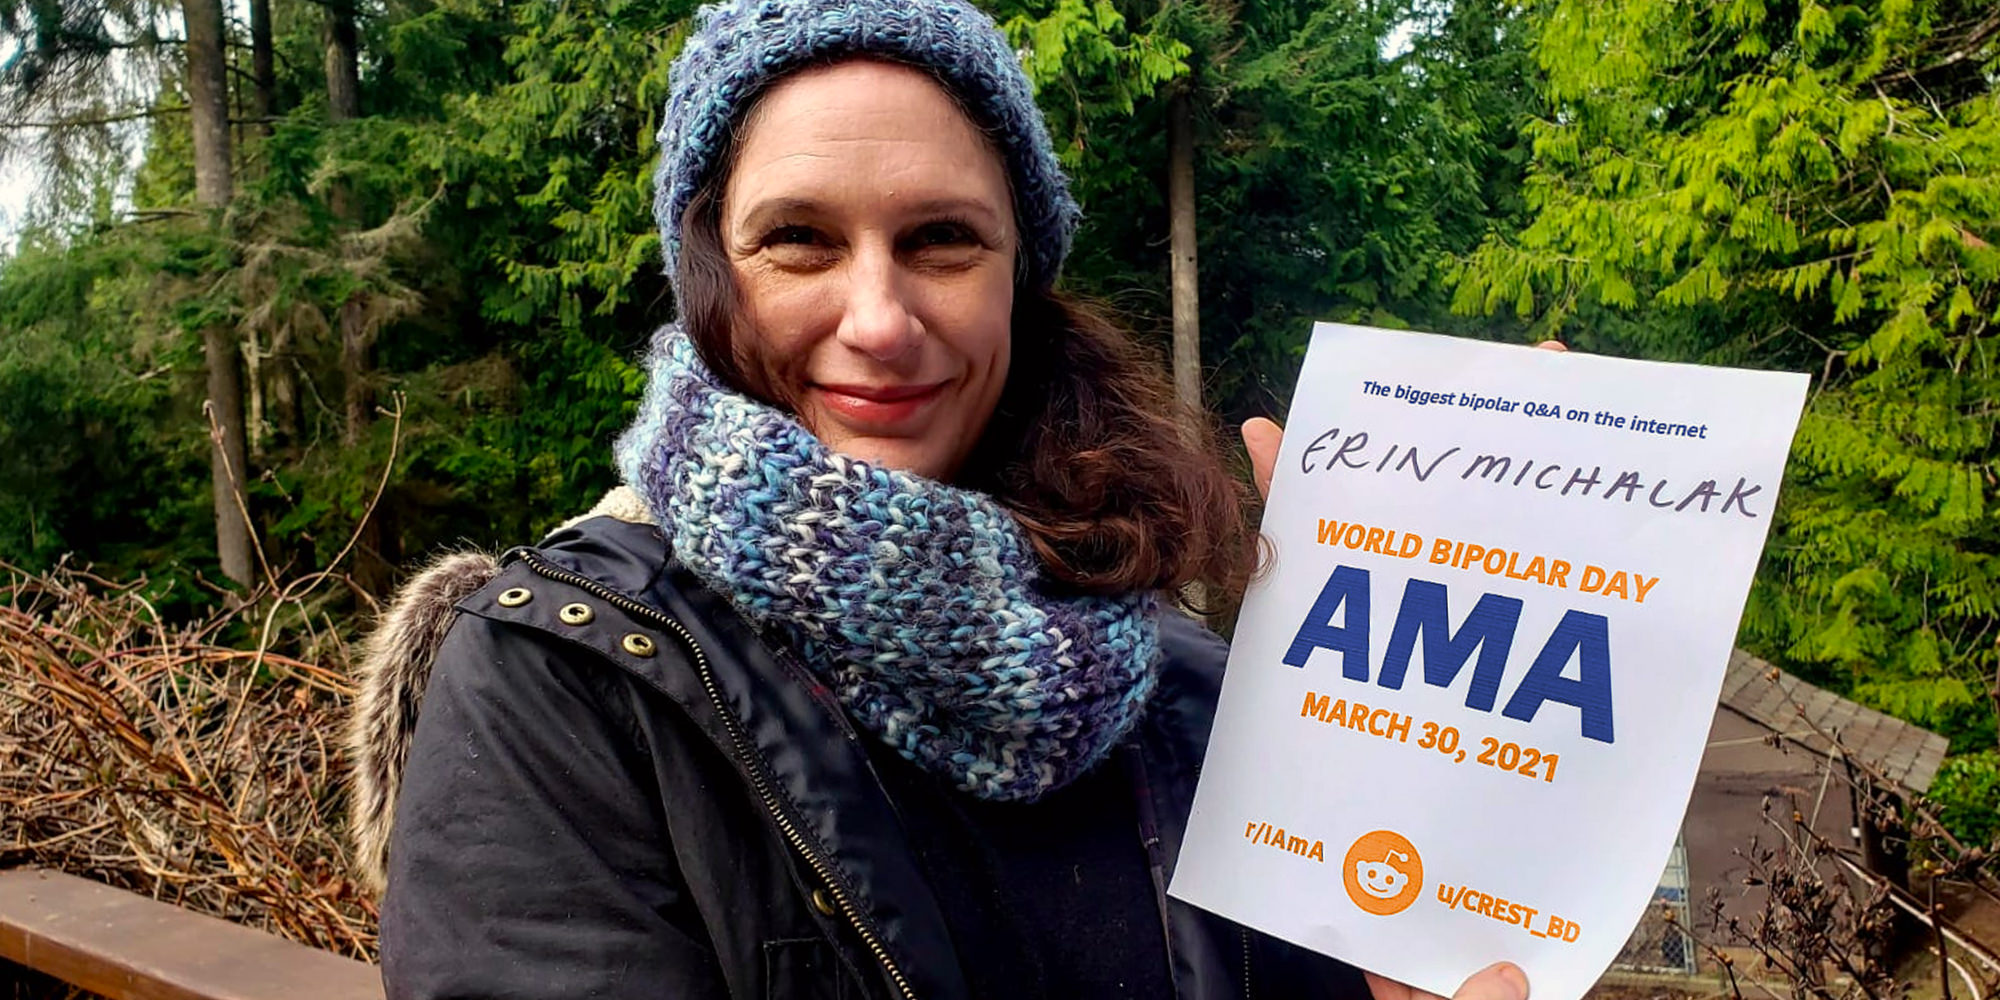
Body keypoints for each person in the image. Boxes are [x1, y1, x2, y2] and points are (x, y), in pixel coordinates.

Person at [344, 0, 1537, 996]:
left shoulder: (1178, 678)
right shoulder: (566, 680)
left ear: (1020, 276)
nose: (877, 319)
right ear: (711, 278)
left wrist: (1409, 748)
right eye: (799, 240)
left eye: (942, 240)